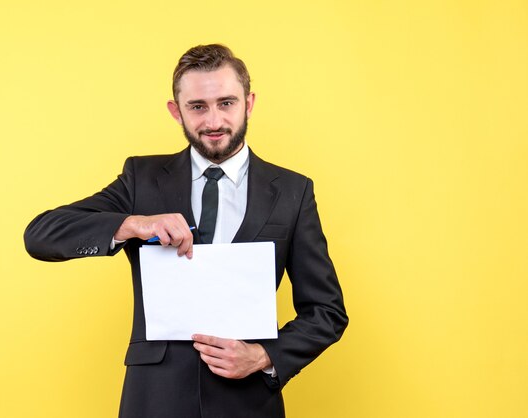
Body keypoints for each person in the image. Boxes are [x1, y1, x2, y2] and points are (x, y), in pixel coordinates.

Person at [24, 44, 348, 418]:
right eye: (197, 107)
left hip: (248, 400)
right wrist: (133, 223)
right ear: (176, 111)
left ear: (250, 102)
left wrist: (264, 356)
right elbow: (41, 235)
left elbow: (327, 310)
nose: (213, 121)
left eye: (226, 103)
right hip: (155, 398)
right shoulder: (140, 180)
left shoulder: (293, 191)